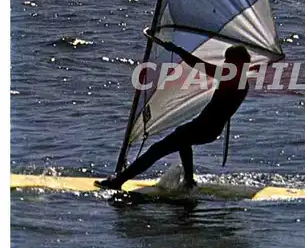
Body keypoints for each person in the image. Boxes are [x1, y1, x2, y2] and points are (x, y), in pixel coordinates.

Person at [95, 37, 252, 191]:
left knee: (157, 150)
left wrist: (177, 50)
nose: (225, 63)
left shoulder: (233, 78)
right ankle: (189, 181)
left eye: (228, 61)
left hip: (204, 128)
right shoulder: (241, 81)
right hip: (206, 128)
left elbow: (199, 65)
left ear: (238, 63)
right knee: (183, 140)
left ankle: (119, 181)